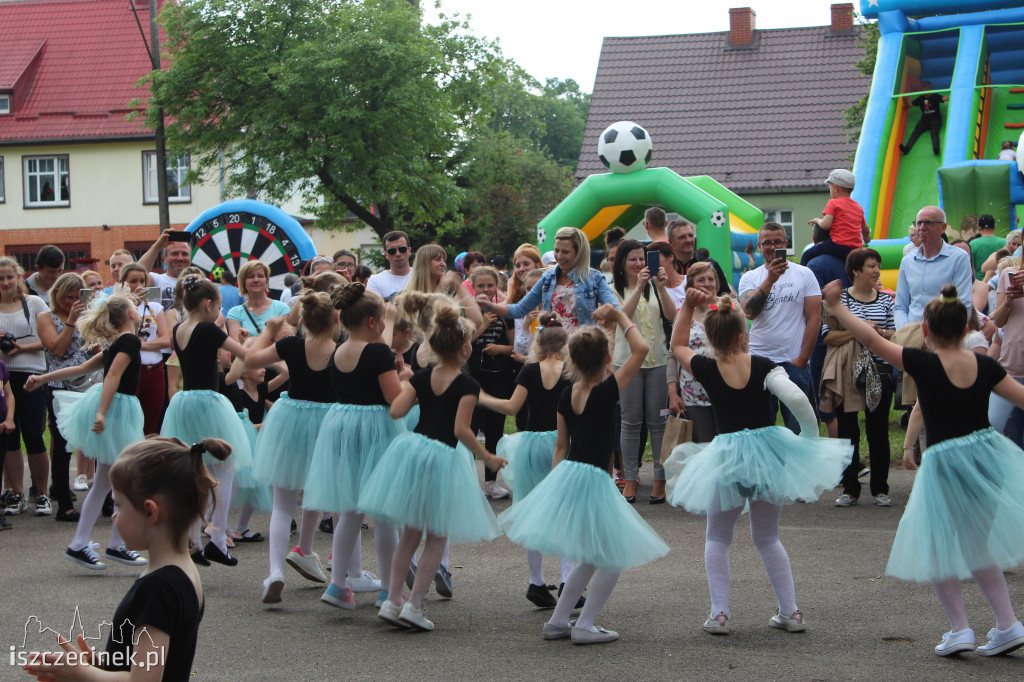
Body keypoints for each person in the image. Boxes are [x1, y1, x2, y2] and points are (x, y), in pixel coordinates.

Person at [824, 280, 1024, 657]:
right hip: (985, 459)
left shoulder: (923, 362)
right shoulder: (985, 365)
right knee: (979, 545)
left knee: (938, 546)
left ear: (926, 331)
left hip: (946, 462)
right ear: (967, 327)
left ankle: (960, 629)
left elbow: (870, 338)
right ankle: (1007, 623)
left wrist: (838, 307)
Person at [665, 287, 850, 636]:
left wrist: (688, 307)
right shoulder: (764, 365)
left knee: (718, 538)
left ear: (710, 336)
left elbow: (677, 346)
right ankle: (790, 611)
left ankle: (719, 613)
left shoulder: (706, 365)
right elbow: (797, 400)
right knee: (767, 538)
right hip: (768, 454)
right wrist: (808, 442)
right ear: (743, 335)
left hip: (728, 457)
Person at [498, 304, 669, 644]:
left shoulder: (567, 393)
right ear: (608, 361)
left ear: (571, 362)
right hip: (592, 479)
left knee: (592, 556)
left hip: (569, 474)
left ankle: (560, 620)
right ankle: (584, 624)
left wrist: (553, 488)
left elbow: (561, 446)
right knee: (611, 557)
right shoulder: (607, 392)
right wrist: (620, 317)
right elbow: (642, 349)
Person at [21, 436, 225, 681]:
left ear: (150, 511)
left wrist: (83, 674)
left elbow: (144, 680)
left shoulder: (158, 587)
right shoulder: (184, 570)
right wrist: (101, 664)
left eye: (118, 505)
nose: (114, 516)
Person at [361, 298, 507, 632]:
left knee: (410, 534)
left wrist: (407, 379)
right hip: (443, 457)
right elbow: (461, 431)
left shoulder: (422, 377)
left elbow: (397, 411)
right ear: (465, 349)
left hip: (413, 452)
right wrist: (487, 457)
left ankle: (393, 599)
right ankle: (413, 605)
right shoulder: (468, 385)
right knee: (437, 537)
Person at [302, 282, 406, 611]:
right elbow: (393, 399)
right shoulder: (378, 352)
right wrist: (409, 382)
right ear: (374, 323)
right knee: (384, 513)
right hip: (376, 428)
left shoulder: (339, 350)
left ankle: (338, 584)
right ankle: (390, 589)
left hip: (344, 426)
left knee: (350, 509)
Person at [25, 295, 147, 570]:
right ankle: (111, 544)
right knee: (122, 482)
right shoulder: (129, 341)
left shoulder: (119, 342)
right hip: (118, 411)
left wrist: (43, 378)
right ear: (130, 313)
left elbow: (81, 368)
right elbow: (113, 376)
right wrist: (102, 412)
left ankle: (88, 543)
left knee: (108, 482)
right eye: (136, 309)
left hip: (115, 409)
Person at [245, 293, 337, 602]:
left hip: (292, 418)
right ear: (335, 320)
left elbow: (250, 360)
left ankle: (275, 572)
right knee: (322, 493)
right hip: (327, 422)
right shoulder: (339, 352)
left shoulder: (290, 345)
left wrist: (269, 331)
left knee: (283, 505)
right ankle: (330, 564)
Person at [478, 314, 574, 608]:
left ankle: (536, 581)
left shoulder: (530, 371)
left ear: (538, 342)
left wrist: (480, 396)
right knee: (565, 512)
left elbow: (511, 407)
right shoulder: (571, 371)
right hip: (561, 444)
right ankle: (569, 579)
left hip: (530, 444)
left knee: (532, 509)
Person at [160, 275, 251, 567]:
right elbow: (244, 356)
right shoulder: (209, 331)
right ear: (209, 304)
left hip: (184, 403)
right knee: (224, 469)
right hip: (209, 403)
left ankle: (194, 540)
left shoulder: (178, 329)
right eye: (220, 308)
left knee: (194, 470)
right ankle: (218, 539)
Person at [818, 248, 896, 507]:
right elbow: (829, 337)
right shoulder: (841, 302)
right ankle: (850, 488)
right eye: (871, 266)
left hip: (880, 372)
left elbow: (894, 334)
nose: (876, 271)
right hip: (847, 374)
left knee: (878, 432)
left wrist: (877, 332)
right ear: (855, 271)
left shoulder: (885, 301)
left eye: (878, 266)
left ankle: (880, 489)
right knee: (848, 432)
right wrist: (861, 332)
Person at [738, 223, 821, 434]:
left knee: (798, 429)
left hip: (793, 362)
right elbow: (750, 312)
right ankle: (766, 467)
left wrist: (803, 359)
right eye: (767, 243)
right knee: (761, 429)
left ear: (785, 244)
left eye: (777, 242)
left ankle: (795, 467)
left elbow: (814, 318)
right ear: (759, 246)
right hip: (759, 362)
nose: (772, 246)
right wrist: (770, 280)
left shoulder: (805, 274)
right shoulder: (750, 277)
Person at [611, 239, 675, 504]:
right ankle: (631, 479)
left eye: (642, 259)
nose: (639, 264)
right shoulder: (613, 288)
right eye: (633, 259)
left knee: (658, 421)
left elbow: (672, 315)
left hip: (658, 360)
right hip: (626, 363)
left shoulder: (655, 285)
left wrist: (660, 287)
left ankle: (660, 479)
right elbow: (620, 317)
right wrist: (638, 288)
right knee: (630, 422)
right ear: (622, 263)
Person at [479, 227, 619, 331]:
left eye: (565, 252)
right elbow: (520, 309)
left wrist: (607, 311)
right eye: (556, 250)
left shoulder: (594, 278)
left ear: (579, 253)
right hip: (552, 348)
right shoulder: (547, 278)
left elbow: (618, 310)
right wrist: (490, 306)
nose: (559, 256)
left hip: (582, 351)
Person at [36, 272, 91, 521]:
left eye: (76, 298)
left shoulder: (88, 316)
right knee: (62, 444)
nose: (71, 302)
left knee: (96, 443)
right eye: (67, 297)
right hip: (60, 385)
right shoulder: (46, 317)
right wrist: (70, 321)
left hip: (90, 383)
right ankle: (65, 504)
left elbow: (97, 347)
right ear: (57, 294)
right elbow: (56, 349)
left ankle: (105, 500)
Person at [0, 256, 50, 518]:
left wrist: (20, 347)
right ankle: (16, 492)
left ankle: (41, 492)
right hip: (3, 377)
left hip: (31, 374)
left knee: (33, 434)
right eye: (1, 279)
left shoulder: (33, 303)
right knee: (9, 436)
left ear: (18, 277)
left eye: (10, 277)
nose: (6, 282)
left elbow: (48, 340)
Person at [466, 266, 514, 500]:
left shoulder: (505, 312)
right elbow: (462, 344)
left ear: (497, 287)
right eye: (480, 286)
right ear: (472, 287)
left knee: (495, 430)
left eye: (489, 285)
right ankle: (465, 481)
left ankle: (491, 483)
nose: (485, 290)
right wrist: (482, 324)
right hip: (473, 377)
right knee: (469, 429)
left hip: (499, 377)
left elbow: (516, 346)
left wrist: (500, 348)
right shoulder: (467, 311)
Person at [666, 261, 720, 443]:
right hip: (693, 395)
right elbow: (672, 355)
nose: (707, 284)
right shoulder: (683, 314)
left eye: (711, 279)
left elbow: (742, 344)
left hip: (726, 391)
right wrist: (673, 393)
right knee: (702, 450)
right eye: (701, 280)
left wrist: (713, 305)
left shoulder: (730, 307)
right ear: (690, 287)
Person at [119, 264, 170, 435]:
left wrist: (138, 344)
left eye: (142, 281)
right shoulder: (118, 308)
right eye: (133, 281)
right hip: (132, 369)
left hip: (155, 369)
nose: (139, 285)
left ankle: (148, 459)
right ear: (123, 283)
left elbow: (165, 339)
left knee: (151, 423)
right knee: (128, 424)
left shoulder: (155, 308)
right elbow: (119, 337)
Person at [800, 170, 870, 266]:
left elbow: (826, 225)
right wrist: (867, 239)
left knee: (807, 254)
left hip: (838, 245)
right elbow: (865, 229)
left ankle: (801, 279)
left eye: (830, 188)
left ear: (835, 188)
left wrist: (817, 220)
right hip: (855, 249)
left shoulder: (833, 203)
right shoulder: (858, 207)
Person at [226, 260, 291, 342]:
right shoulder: (235, 313)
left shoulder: (281, 308)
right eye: (251, 277)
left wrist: (247, 342)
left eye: (260, 276)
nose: (256, 280)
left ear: (266, 281)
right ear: (243, 282)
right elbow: (235, 347)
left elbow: (284, 343)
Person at [139, 229, 194, 312]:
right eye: (175, 254)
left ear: (190, 258)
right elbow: (137, 273)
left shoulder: (200, 283)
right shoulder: (157, 283)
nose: (180, 258)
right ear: (164, 258)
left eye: (184, 254)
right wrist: (157, 246)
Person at [365, 231, 413, 301]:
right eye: (392, 251)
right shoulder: (374, 281)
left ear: (409, 251)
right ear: (386, 255)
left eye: (402, 249)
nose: (398, 254)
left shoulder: (423, 276)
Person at [900, 87, 946, 155]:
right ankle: (906, 149)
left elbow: (944, 98)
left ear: (930, 91)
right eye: (924, 91)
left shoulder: (935, 96)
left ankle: (936, 149)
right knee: (915, 133)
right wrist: (905, 100)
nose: (925, 93)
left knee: (934, 133)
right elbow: (909, 105)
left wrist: (948, 97)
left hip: (935, 119)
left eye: (927, 91)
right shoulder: (921, 98)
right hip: (924, 120)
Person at [970, 214, 1005, 281]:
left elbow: (971, 268)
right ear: (994, 226)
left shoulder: (972, 244)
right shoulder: (1005, 242)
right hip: (1000, 282)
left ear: (978, 226)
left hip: (981, 282)